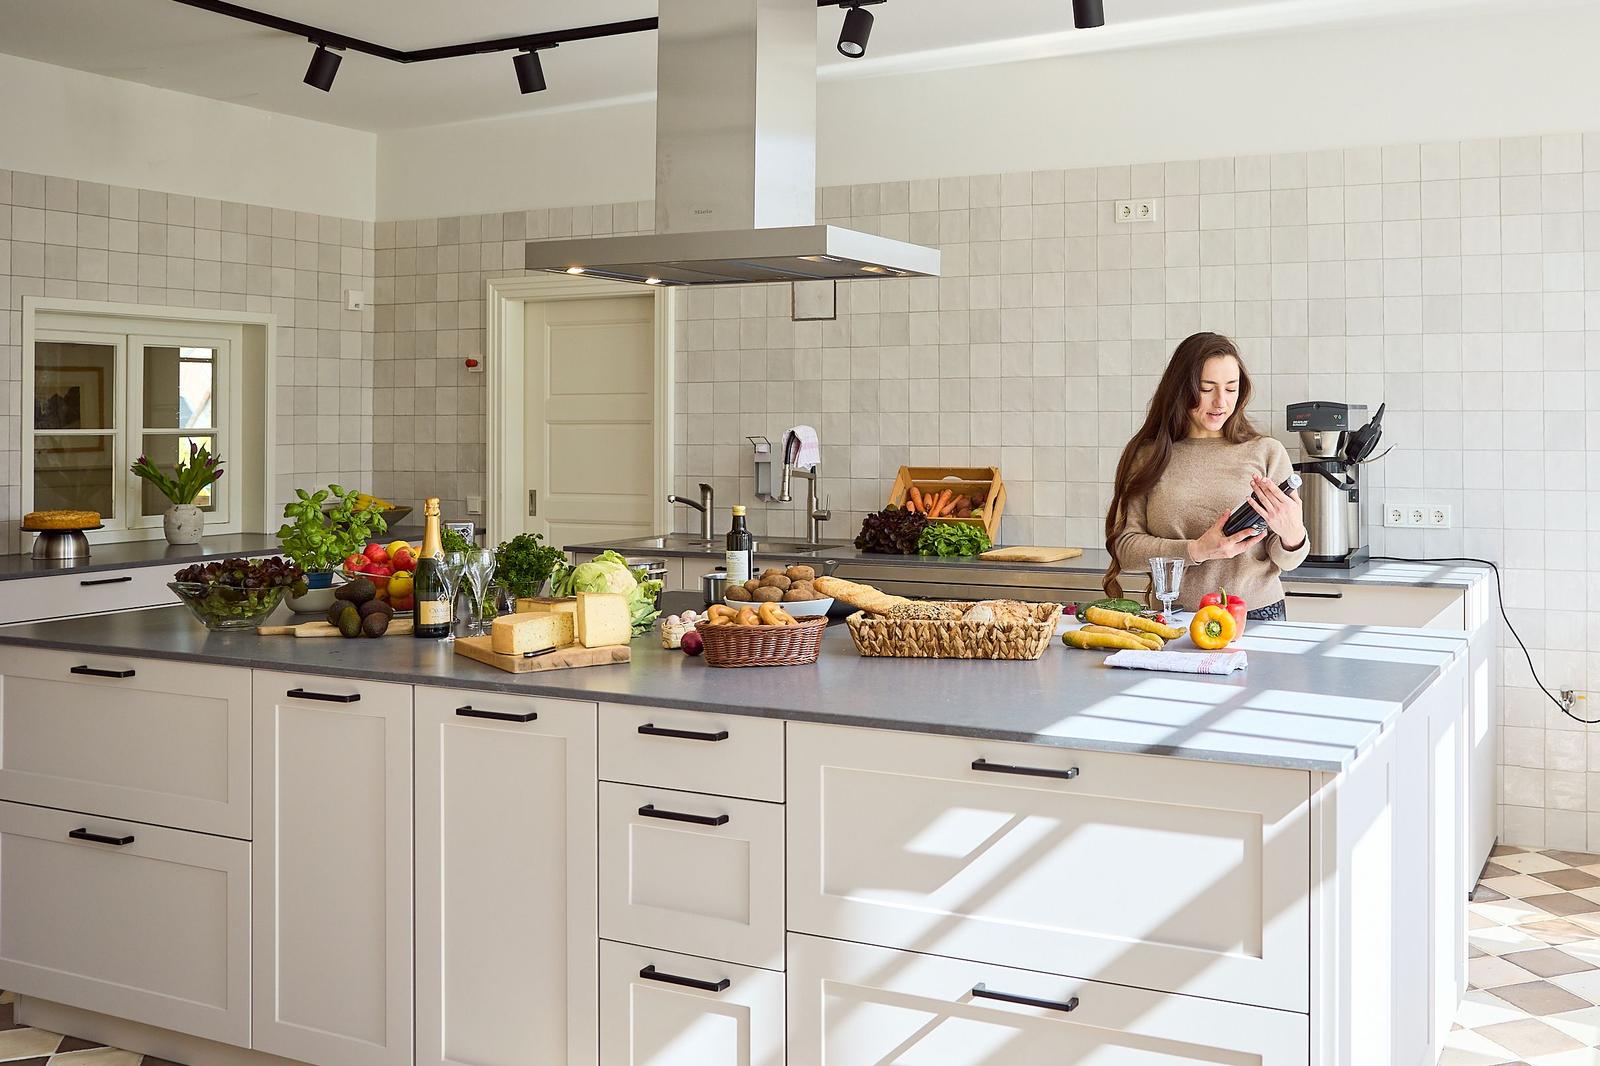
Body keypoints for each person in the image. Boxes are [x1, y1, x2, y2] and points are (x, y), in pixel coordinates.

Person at [1103, 332, 1308, 620]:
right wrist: (1196, 550)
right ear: (1181, 388)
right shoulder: (1148, 456)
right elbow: (1125, 549)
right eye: (1206, 388)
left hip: (1255, 614)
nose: (1220, 402)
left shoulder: (1266, 452)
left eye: (1231, 388)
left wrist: (1293, 534)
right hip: (1172, 616)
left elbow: (1288, 559)